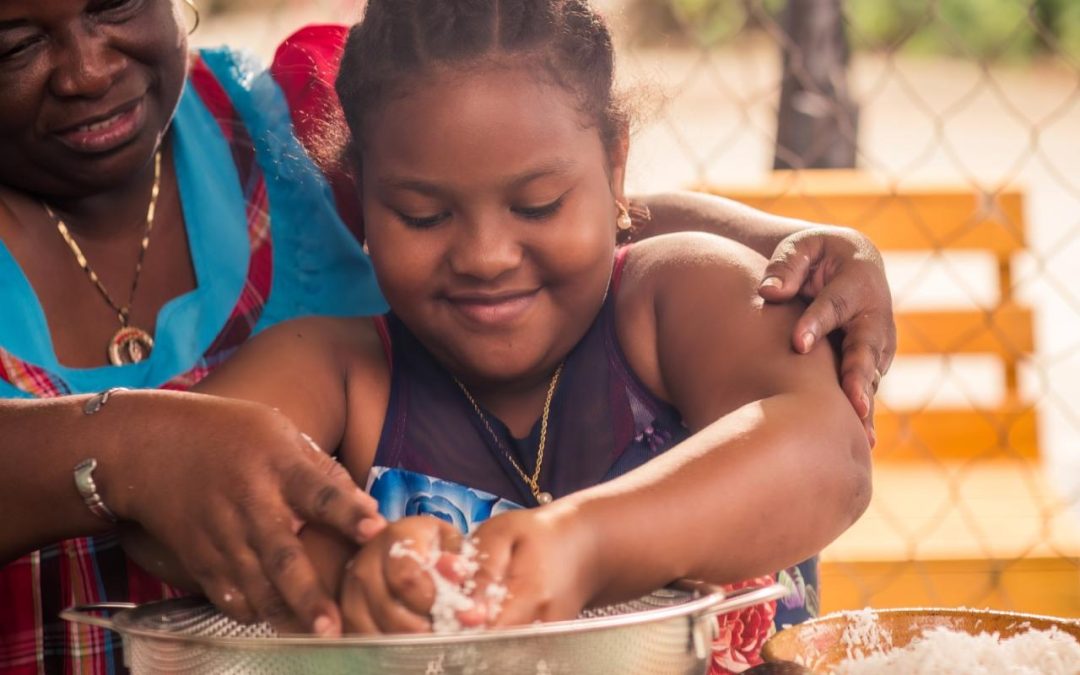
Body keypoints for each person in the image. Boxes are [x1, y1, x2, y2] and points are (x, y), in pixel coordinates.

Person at [0, 1, 889, 673]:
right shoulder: (341, 369)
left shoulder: (672, 299)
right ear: (359, 196)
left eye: (538, 205)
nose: (486, 256)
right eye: (422, 214)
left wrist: (584, 542)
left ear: (615, 163)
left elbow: (827, 455)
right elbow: (175, 505)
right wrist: (352, 570)